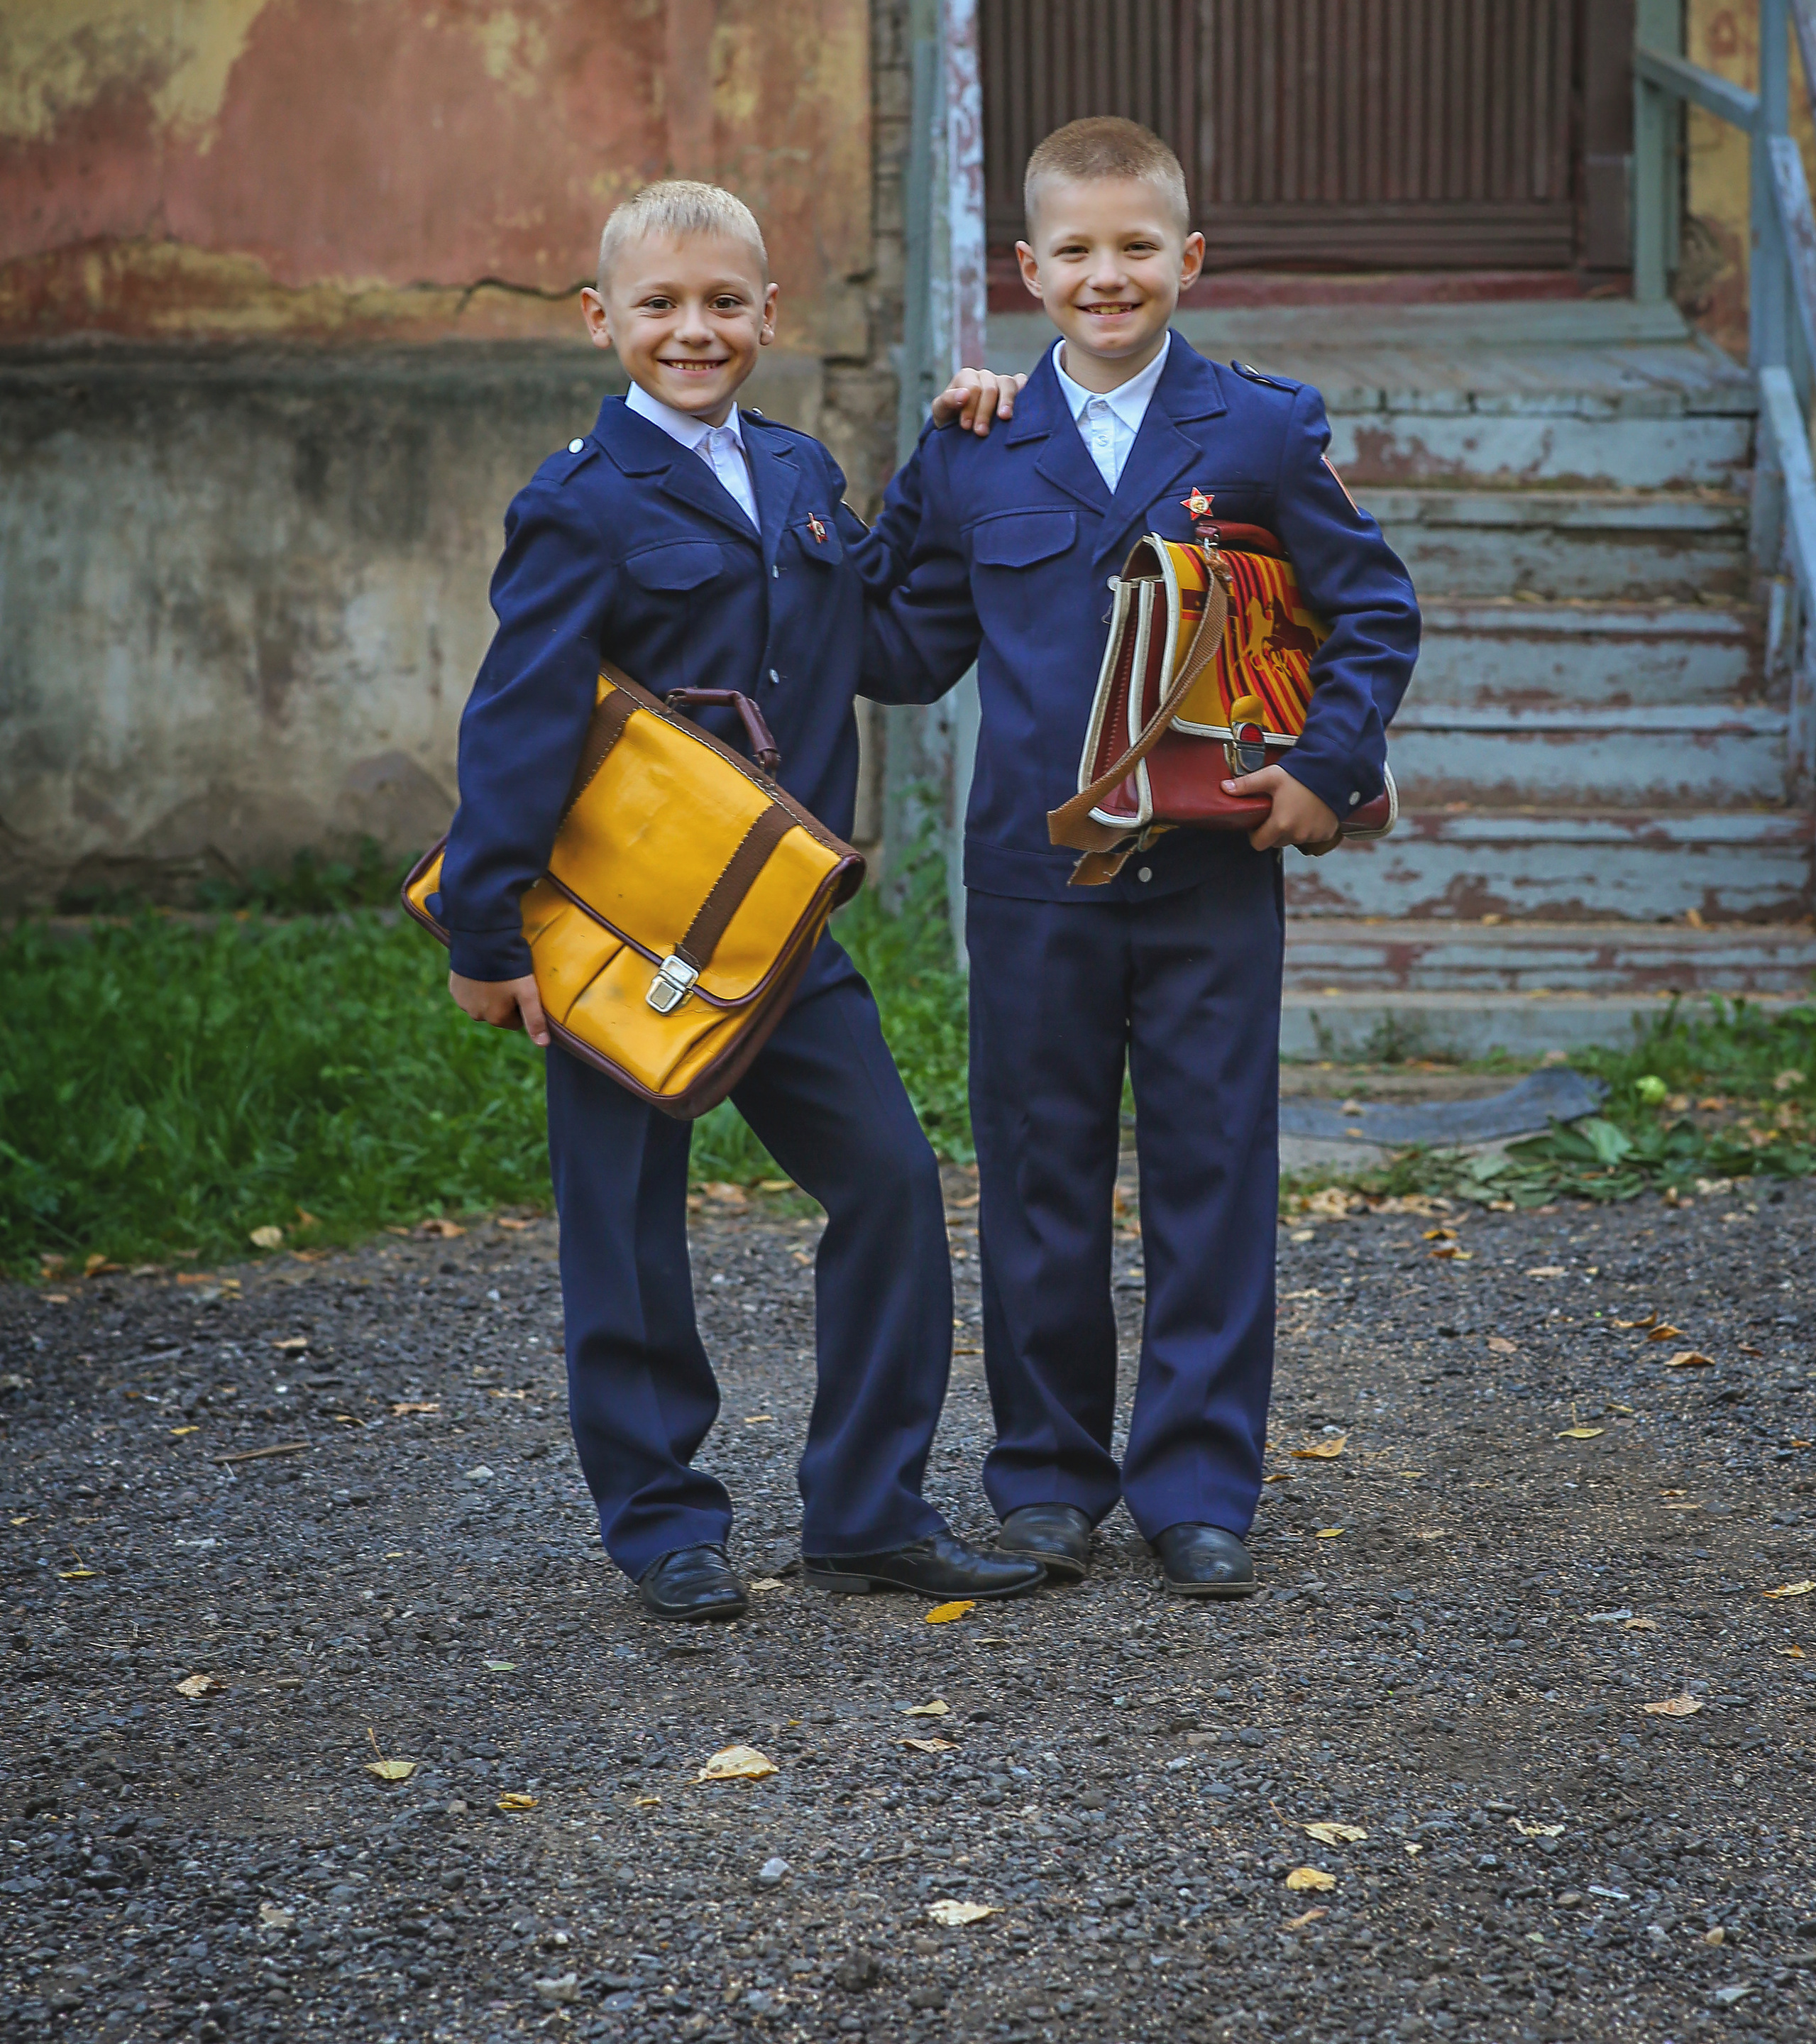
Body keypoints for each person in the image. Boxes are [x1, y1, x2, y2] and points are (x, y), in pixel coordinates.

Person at [435, 180, 1045, 1623]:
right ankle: (661, 1526)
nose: (692, 329)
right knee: (626, 1220)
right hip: (619, 928)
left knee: (890, 1184)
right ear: (602, 321)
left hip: (776, 927)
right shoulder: (579, 503)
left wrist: (956, 480)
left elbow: (888, 644)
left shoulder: (795, 476)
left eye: (722, 302)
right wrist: (484, 923)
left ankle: (866, 1509)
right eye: (658, 304)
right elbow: (516, 721)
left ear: (768, 314)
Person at [862, 118, 1421, 1596]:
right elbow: (906, 642)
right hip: (1034, 880)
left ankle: (1194, 1488)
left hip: (1207, 877)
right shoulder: (974, 446)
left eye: (1133, 249)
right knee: (1038, 1180)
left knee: (1209, 1176)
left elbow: (1369, 610)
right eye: (1075, 252)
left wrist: (1326, 764)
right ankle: (1046, 1480)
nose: (1104, 278)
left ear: (1184, 259)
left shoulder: (1253, 431)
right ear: (1026, 270)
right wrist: (777, 548)